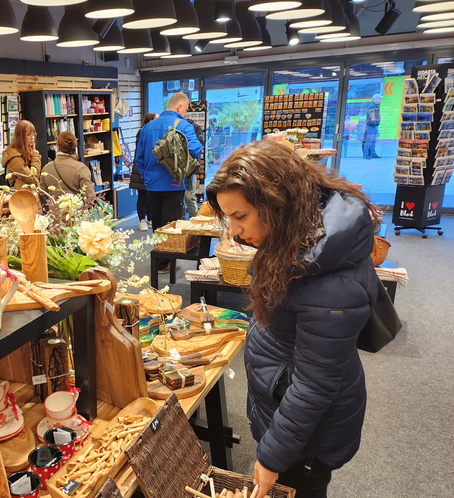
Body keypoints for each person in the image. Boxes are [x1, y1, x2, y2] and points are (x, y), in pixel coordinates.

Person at [206, 140, 379, 498]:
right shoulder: (296, 238)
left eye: (241, 216)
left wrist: (271, 457)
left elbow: (314, 386)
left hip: (308, 439)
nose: (235, 231)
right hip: (288, 413)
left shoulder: (330, 283)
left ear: (276, 201)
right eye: (230, 218)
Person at [135, 92, 203, 272]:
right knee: (171, 226)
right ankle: (165, 264)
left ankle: (160, 261)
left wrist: (147, 176)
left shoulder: (147, 128)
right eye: (186, 109)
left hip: (151, 185)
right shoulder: (183, 126)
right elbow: (196, 150)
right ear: (179, 107)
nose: (186, 113)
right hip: (174, 183)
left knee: (157, 224)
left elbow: (139, 159)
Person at [39, 131, 94, 202]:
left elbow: (43, 193)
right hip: (77, 211)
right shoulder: (81, 169)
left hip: (55, 211)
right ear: (75, 147)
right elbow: (90, 196)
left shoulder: (46, 169)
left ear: (58, 147)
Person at [131, 112, 157, 231]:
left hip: (151, 169)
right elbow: (141, 154)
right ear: (150, 120)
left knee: (151, 196)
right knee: (143, 196)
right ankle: (142, 220)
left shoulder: (153, 132)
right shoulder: (143, 132)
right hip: (142, 170)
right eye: (156, 119)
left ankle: (150, 219)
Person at [2, 120, 42, 189]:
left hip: (28, 196)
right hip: (21, 197)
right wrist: (35, 157)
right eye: (28, 135)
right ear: (20, 137)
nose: (32, 138)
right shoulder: (15, 157)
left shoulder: (27, 152)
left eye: (34, 135)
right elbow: (33, 179)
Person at [362, 94, 382, 159]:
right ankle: (366, 155)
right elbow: (372, 118)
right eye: (379, 98)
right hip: (371, 126)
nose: (380, 100)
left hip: (373, 126)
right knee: (369, 141)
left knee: (372, 141)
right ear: (375, 99)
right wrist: (376, 123)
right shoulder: (372, 107)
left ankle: (373, 153)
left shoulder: (374, 106)